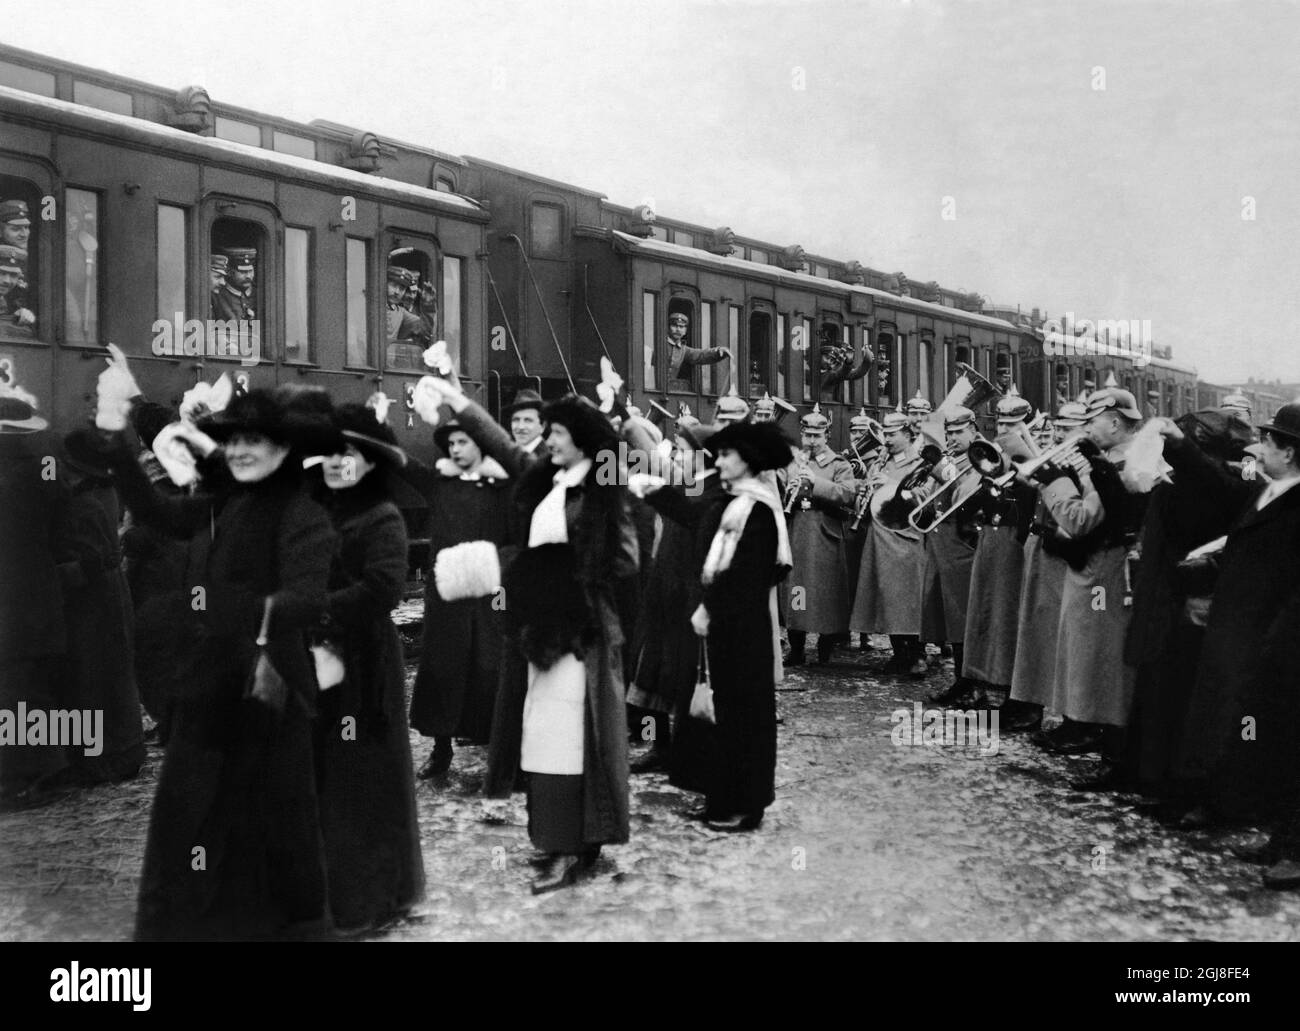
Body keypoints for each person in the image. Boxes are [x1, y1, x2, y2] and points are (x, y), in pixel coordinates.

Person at [105, 386, 338, 940]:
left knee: (271, 824)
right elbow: (160, 512)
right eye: (233, 441)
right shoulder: (228, 502)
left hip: (268, 686)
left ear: (282, 450)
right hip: (212, 685)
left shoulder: (303, 513)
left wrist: (244, 612)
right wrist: (117, 443)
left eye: (253, 441)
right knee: (192, 816)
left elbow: (306, 597)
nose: (239, 451)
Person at [430, 379, 638, 893]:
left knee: (577, 739)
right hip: (541, 628)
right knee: (543, 737)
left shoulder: (602, 486)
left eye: (559, 432)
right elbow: (504, 445)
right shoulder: (551, 478)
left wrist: (558, 572)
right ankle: (551, 837)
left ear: (583, 440)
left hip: (582, 632)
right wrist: (461, 405)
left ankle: (582, 844)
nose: (548, 440)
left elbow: (625, 558)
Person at [1159, 403, 1300, 888]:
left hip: (1272, 640)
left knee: (1275, 738)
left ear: (1289, 451)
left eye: (1269, 441)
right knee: (1239, 726)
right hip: (1235, 630)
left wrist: (1277, 642)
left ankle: (1292, 849)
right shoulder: (1266, 492)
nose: (1258, 448)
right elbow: (1243, 551)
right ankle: (1262, 827)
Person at [642, 420, 793, 830]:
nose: (719, 461)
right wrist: (652, 491)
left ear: (748, 460)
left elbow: (747, 576)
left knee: (743, 718)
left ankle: (746, 804)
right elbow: (694, 516)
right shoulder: (732, 500)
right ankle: (722, 796)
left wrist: (710, 608)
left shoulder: (757, 508)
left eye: (726, 455)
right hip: (727, 627)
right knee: (723, 716)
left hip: (742, 630)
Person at [311, 402, 424, 932]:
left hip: (364, 665)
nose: (337, 463)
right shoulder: (321, 509)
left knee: (364, 779)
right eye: (330, 453)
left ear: (371, 462)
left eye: (348, 454)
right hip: (321, 658)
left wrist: (319, 608)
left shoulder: (382, 516)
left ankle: (376, 897)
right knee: (329, 778)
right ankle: (337, 892)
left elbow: (383, 589)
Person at [1031, 388, 1147, 764]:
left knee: (1090, 645)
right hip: (1099, 564)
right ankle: (1080, 719)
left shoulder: (1118, 463)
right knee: (1084, 643)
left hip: (1101, 566)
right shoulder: (1118, 457)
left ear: (1115, 422)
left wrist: (1052, 482)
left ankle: (1086, 723)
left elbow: (1080, 520)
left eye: (1092, 421)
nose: (1087, 428)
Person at [405, 418, 512, 776]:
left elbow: (516, 537)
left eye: (463, 442)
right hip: (447, 591)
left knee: (491, 664)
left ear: (480, 445)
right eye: (451, 444)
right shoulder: (440, 482)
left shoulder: (502, 485)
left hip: (491, 591)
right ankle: (440, 749)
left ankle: (497, 749)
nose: (455, 449)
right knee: (442, 666)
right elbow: (403, 465)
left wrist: (496, 569)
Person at [627, 416, 724, 775]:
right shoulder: (690, 484)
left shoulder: (702, 490)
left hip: (687, 592)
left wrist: (624, 414)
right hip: (664, 586)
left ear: (702, 456)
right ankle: (659, 746)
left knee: (682, 676)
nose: (677, 458)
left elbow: (657, 465)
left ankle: (683, 753)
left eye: (683, 452)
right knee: (653, 672)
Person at [52, 428, 146, 785]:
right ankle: (124, 751)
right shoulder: (106, 490)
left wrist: (53, 577)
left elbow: (86, 562)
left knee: (92, 676)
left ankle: (101, 760)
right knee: (115, 674)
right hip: (111, 593)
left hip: (92, 600)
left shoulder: (81, 503)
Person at [0, 384, 70, 811]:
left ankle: (21, 776)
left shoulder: (9, 476)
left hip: (11, 597)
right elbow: (58, 497)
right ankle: (42, 767)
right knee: (28, 683)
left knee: (14, 686)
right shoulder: (43, 467)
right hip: (38, 591)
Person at [1004, 401, 1088, 732]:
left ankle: (1073, 717)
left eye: (1066, 429)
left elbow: (1080, 508)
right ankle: (1029, 703)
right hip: (1039, 543)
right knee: (1034, 629)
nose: (1058, 435)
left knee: (1061, 633)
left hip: (1062, 549)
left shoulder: (1084, 463)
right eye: (1057, 428)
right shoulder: (1057, 457)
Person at [960, 391, 1038, 709]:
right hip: (992, 541)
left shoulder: (1034, 463)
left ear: (1028, 427)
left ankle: (1012, 693)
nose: (1003, 433)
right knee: (986, 614)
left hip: (1014, 547)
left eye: (1012, 426)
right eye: (1000, 425)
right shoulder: (1000, 461)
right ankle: (986, 682)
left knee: (1008, 618)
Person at [849, 411, 928, 674]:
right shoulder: (880, 462)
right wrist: (862, 494)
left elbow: (924, 497)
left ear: (907, 435)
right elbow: (867, 500)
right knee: (885, 597)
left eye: (892, 435)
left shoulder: (920, 463)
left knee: (907, 598)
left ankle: (918, 655)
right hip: (879, 537)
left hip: (904, 537)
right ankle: (899, 653)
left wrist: (893, 486)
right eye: (885, 434)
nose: (887, 440)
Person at [920, 406, 986, 706]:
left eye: (959, 432)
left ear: (973, 428)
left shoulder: (982, 457)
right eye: (949, 433)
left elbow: (967, 496)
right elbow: (935, 495)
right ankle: (961, 680)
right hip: (943, 546)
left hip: (964, 547)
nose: (954, 438)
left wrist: (941, 468)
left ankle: (974, 686)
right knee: (951, 619)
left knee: (965, 618)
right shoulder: (955, 459)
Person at [781, 404, 854, 666]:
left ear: (827, 436)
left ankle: (826, 647)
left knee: (826, 593)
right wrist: (788, 491)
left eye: (817, 436)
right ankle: (797, 646)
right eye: (807, 435)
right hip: (798, 532)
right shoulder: (792, 462)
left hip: (825, 533)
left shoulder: (839, 464)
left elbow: (848, 494)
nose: (812, 441)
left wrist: (816, 483)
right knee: (797, 590)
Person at [665, 311, 728, 392]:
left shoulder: (682, 350)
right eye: (674, 325)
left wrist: (717, 352)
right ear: (668, 327)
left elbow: (700, 355)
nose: (678, 329)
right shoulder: (659, 344)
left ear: (685, 331)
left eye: (681, 327)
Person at [212, 247, 256, 322]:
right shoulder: (218, 295)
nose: (248, 276)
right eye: (242, 272)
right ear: (230, 272)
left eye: (250, 271)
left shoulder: (258, 294)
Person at [0, 245, 34, 331]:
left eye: (13, 275)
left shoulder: (12, 303)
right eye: (1, 273)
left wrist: (22, 317)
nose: (7, 281)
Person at [504, 388, 545, 455]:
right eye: (516, 420)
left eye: (528, 420)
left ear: (542, 426)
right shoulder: (506, 454)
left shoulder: (550, 459)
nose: (521, 427)